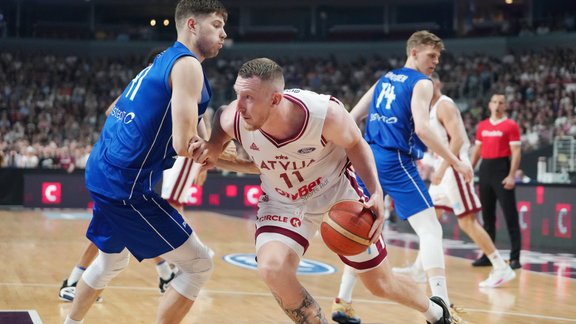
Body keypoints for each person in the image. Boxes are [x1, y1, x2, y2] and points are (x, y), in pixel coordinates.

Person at [192, 57, 452, 324]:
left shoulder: (324, 114)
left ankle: (436, 312)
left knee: (380, 284)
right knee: (272, 268)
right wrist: (212, 150)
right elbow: (221, 125)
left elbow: (357, 144)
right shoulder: (232, 117)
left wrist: (375, 192)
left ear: (276, 99)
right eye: (239, 94)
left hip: (337, 194)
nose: (241, 106)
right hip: (283, 200)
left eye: (249, 97)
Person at [63, 1, 228, 323]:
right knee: (200, 265)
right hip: (124, 185)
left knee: (111, 262)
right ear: (192, 24)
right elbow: (184, 144)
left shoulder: (159, 62)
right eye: (218, 25)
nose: (225, 33)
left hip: (102, 168)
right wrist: (231, 153)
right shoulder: (187, 66)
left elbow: (113, 111)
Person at [332, 30, 473, 323]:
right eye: (431, 55)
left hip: (367, 158)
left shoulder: (385, 78)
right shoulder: (422, 82)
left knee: (364, 230)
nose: (435, 62)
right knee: (431, 230)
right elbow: (422, 128)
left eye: (438, 57)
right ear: (414, 53)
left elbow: (351, 115)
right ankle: (443, 305)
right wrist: (456, 162)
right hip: (395, 160)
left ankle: (343, 302)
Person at [59, 47, 180, 303]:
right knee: (117, 230)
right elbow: (112, 112)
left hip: (130, 172)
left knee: (117, 231)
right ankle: (72, 282)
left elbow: (111, 112)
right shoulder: (148, 87)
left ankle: (164, 273)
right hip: (119, 173)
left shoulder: (150, 90)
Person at [393, 72, 516, 289]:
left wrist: (441, 168)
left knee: (466, 221)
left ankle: (500, 267)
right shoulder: (430, 109)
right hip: (445, 168)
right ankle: (420, 270)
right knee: (430, 218)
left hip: (454, 168)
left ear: (437, 84)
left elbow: (458, 139)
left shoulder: (444, 105)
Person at [470, 93, 522, 270]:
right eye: (494, 102)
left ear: (505, 106)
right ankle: (487, 255)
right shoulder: (482, 126)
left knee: (510, 216)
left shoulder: (511, 125)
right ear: (489, 105)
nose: (497, 105)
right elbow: (477, 151)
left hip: (502, 170)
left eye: (501, 102)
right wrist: (469, 169)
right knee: (487, 217)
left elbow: (516, 152)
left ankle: (515, 257)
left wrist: (511, 175)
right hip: (485, 170)